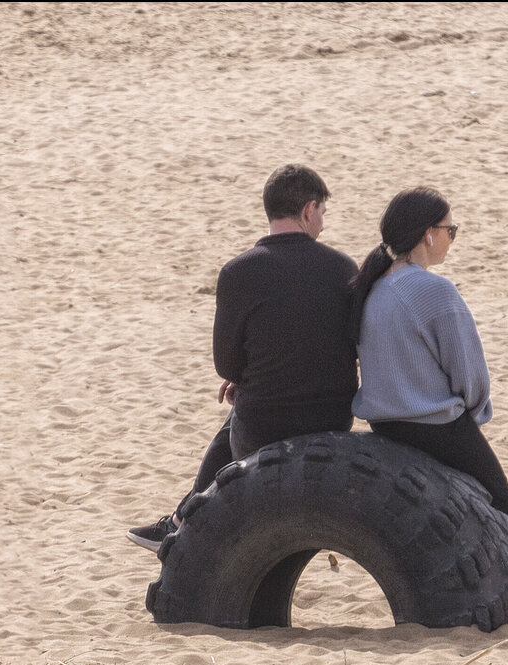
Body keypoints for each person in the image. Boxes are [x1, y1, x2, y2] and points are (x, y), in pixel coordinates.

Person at [128, 164, 359, 551]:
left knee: (241, 408)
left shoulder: (239, 272)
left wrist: (243, 378)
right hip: (332, 415)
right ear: (307, 210)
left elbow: (226, 365)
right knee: (247, 402)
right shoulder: (343, 268)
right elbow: (349, 345)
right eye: (322, 213)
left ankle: (181, 521)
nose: (322, 223)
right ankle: (179, 518)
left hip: (266, 424)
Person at [349, 187, 508, 557]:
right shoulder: (434, 290)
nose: (452, 239)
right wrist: (474, 413)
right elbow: (471, 377)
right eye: (451, 231)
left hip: (385, 427)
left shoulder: (370, 287)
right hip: (437, 427)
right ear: (429, 234)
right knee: (505, 506)